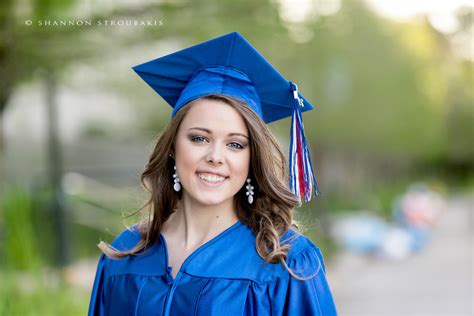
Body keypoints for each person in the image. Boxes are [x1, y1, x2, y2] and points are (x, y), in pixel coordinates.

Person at [88, 32, 338, 316]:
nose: (215, 157)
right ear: (172, 148)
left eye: (235, 144)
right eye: (199, 138)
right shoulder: (125, 255)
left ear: (251, 158)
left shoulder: (285, 261)